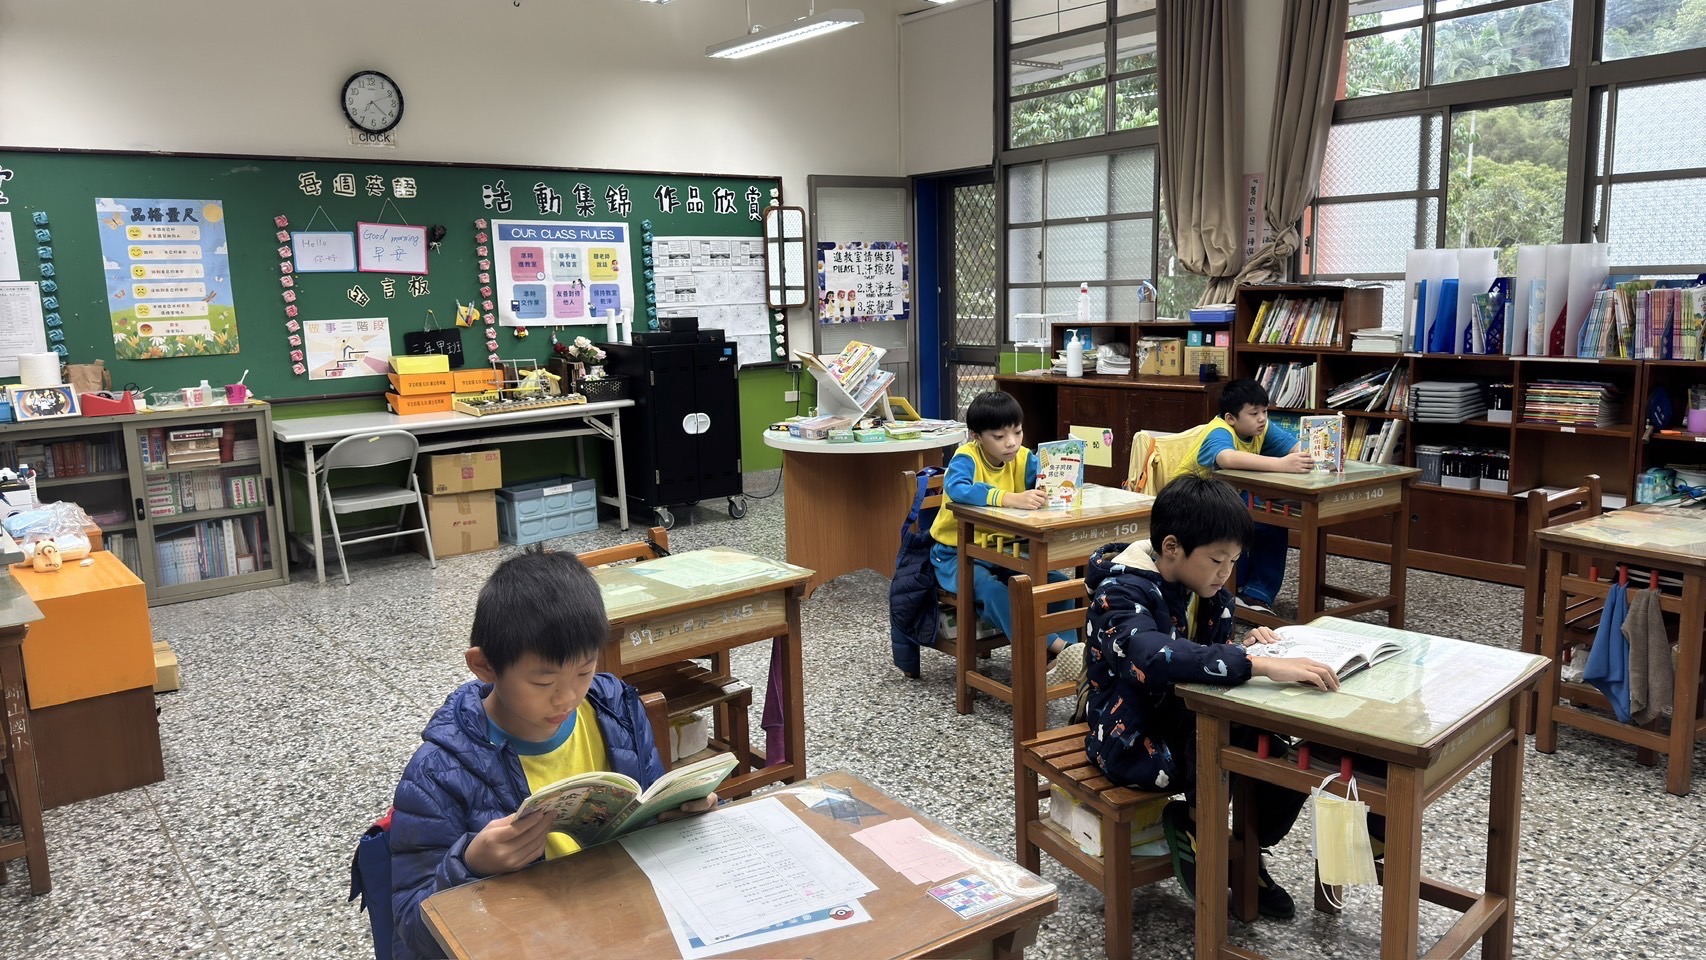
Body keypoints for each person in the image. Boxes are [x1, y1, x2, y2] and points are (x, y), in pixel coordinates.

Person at [388, 552, 717, 958]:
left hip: (623, 923)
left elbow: (646, 812)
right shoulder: (438, 772)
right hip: (530, 940)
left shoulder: (614, 710)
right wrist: (469, 866)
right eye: (543, 682)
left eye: (584, 671)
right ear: (484, 665)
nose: (568, 698)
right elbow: (411, 928)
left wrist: (680, 812)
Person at [1080, 474, 1339, 919]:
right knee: (1232, 741)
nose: (1226, 573)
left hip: (1186, 717)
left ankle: (1246, 851)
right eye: (1218, 560)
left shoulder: (1209, 592)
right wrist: (1251, 664)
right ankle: (1204, 831)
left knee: (1281, 757)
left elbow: (1203, 657)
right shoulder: (1119, 592)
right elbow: (1152, 655)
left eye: (1234, 561)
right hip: (1128, 736)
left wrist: (1250, 646)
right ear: (1172, 548)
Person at [929, 389, 1084, 685]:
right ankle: (1057, 648)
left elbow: (1047, 479)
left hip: (1003, 552)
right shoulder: (966, 458)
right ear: (976, 436)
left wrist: (1060, 479)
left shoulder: (1024, 458)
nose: (1011, 442)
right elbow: (957, 489)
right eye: (999, 436)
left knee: (1058, 585)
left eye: (1017, 432)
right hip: (955, 556)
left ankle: (1060, 660)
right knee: (996, 591)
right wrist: (1008, 498)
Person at [1178, 378, 1313, 614]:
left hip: (1226, 500)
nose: (1262, 418)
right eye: (1254, 413)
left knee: (1272, 518)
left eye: (1265, 411)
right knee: (1252, 519)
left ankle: (1255, 594)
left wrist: (1319, 451)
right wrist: (1282, 464)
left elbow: (1294, 447)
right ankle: (1234, 587)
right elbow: (1226, 458)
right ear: (1231, 418)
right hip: (1189, 501)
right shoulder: (1219, 430)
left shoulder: (1261, 428)